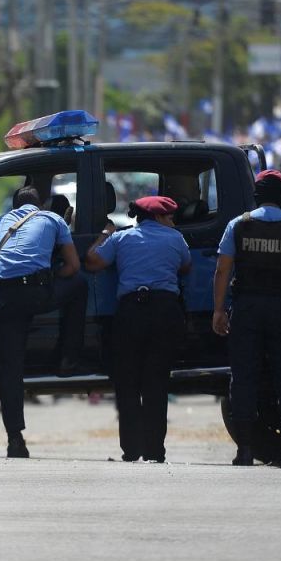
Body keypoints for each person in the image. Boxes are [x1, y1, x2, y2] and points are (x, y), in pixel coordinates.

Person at [212, 170, 281, 468]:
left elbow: (223, 269)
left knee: (244, 377)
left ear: (257, 195)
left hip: (248, 308)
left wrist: (219, 309)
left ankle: (245, 450)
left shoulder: (238, 225)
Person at [84, 195, 191, 463]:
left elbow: (93, 261)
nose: (173, 221)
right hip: (165, 312)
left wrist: (105, 233)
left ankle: (131, 450)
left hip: (131, 312)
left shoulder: (121, 239)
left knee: (127, 383)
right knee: (157, 382)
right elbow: (186, 266)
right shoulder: (176, 239)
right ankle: (155, 451)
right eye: (169, 217)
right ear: (157, 217)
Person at [0, 185, 88, 458]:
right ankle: (69, 357)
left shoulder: (3, 221)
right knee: (79, 284)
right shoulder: (53, 219)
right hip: (36, 293)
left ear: (14, 207)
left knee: (11, 368)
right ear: (40, 204)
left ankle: (15, 439)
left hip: (5, 295)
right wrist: (48, 277)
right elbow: (73, 267)